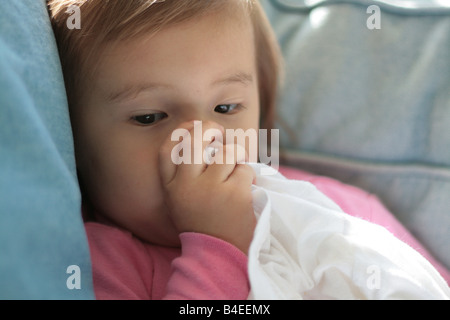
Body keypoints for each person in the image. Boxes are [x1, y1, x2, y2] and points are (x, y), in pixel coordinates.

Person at [48, 0, 449, 299]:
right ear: (72, 141)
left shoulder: (337, 208)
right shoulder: (95, 264)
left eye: (225, 108)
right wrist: (219, 243)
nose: (202, 142)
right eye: (150, 117)